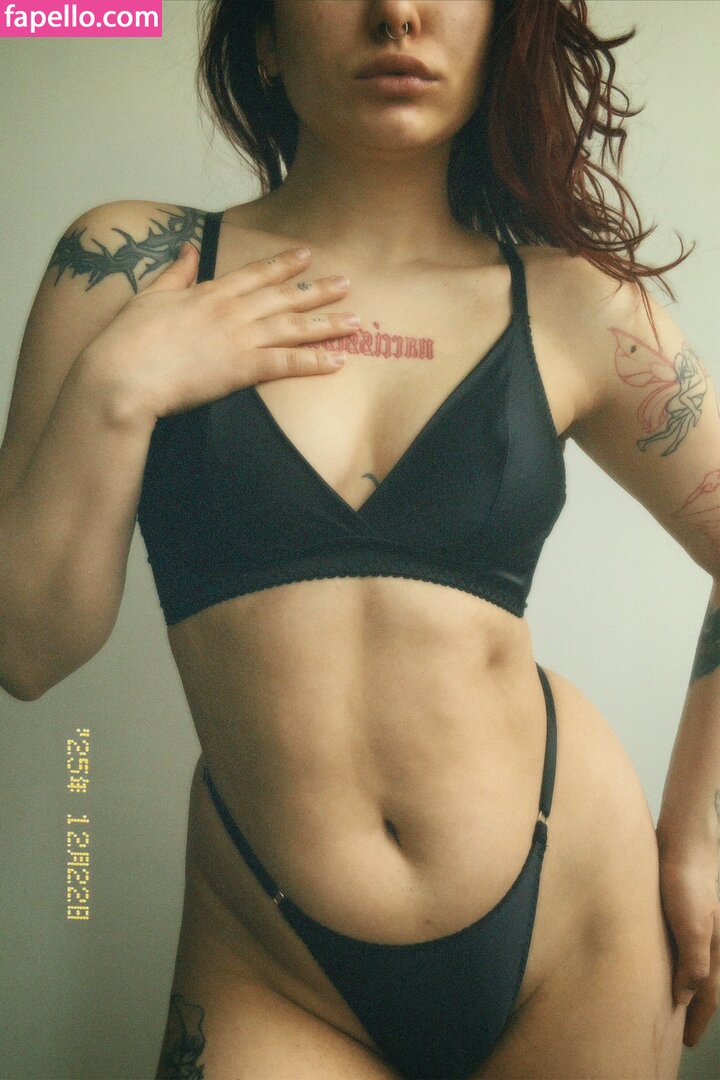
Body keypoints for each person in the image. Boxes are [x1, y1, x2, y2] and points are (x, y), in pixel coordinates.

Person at [0, 1, 718, 1077]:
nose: (397, 14)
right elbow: (27, 651)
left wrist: (697, 837)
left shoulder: (575, 304)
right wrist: (119, 387)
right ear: (262, 35)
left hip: (580, 913)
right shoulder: (131, 266)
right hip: (272, 955)